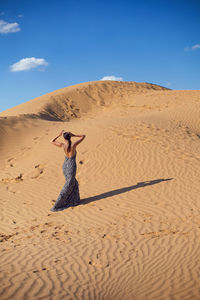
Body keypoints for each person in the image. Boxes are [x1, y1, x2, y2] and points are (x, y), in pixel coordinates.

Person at [49, 130, 86, 211]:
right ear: (70, 137)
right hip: (71, 166)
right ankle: (58, 204)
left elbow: (51, 141)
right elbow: (83, 136)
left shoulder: (62, 145)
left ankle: (75, 200)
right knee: (69, 184)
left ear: (64, 138)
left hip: (65, 166)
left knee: (73, 182)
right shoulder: (73, 145)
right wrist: (74, 134)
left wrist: (58, 135)